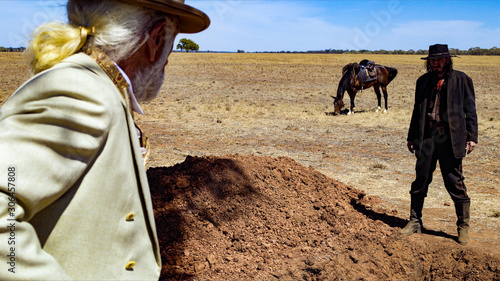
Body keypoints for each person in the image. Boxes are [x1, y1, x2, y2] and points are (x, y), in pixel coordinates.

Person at [0, 0, 209, 280]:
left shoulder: (102, 88)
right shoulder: (83, 92)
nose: (169, 56)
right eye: (174, 40)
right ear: (156, 38)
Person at [402, 44, 478, 245]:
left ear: (447, 60)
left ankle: (463, 227)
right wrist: (411, 136)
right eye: (432, 60)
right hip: (426, 137)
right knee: (421, 180)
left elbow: (470, 110)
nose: (435, 63)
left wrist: (472, 137)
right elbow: (416, 111)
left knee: (455, 182)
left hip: (450, 139)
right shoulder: (423, 81)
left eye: (439, 60)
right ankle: (415, 221)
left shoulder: (462, 80)